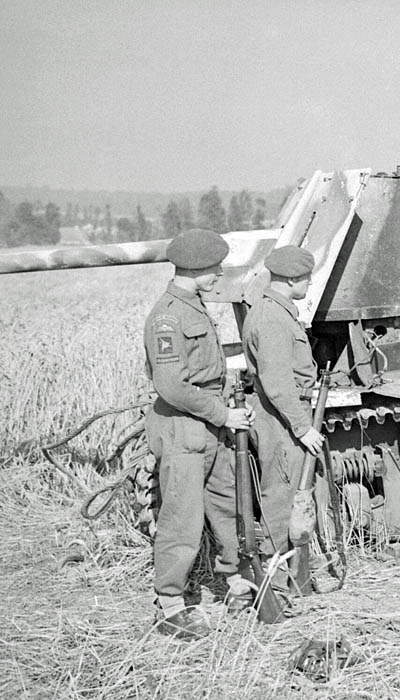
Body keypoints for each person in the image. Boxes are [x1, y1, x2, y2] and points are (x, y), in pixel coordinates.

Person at [143, 228, 254, 640]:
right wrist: (222, 415)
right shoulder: (168, 317)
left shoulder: (194, 305)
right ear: (192, 268)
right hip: (185, 425)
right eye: (213, 269)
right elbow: (171, 386)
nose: (219, 274)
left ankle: (235, 583)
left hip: (208, 422)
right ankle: (170, 603)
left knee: (226, 506)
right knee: (182, 518)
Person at [242, 246, 323, 601]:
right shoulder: (273, 318)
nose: (309, 282)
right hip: (281, 419)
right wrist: (303, 427)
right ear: (291, 279)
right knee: (281, 499)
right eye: (306, 277)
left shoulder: (271, 310)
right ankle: (275, 589)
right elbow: (277, 383)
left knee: (291, 497)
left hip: (282, 413)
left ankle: (293, 581)